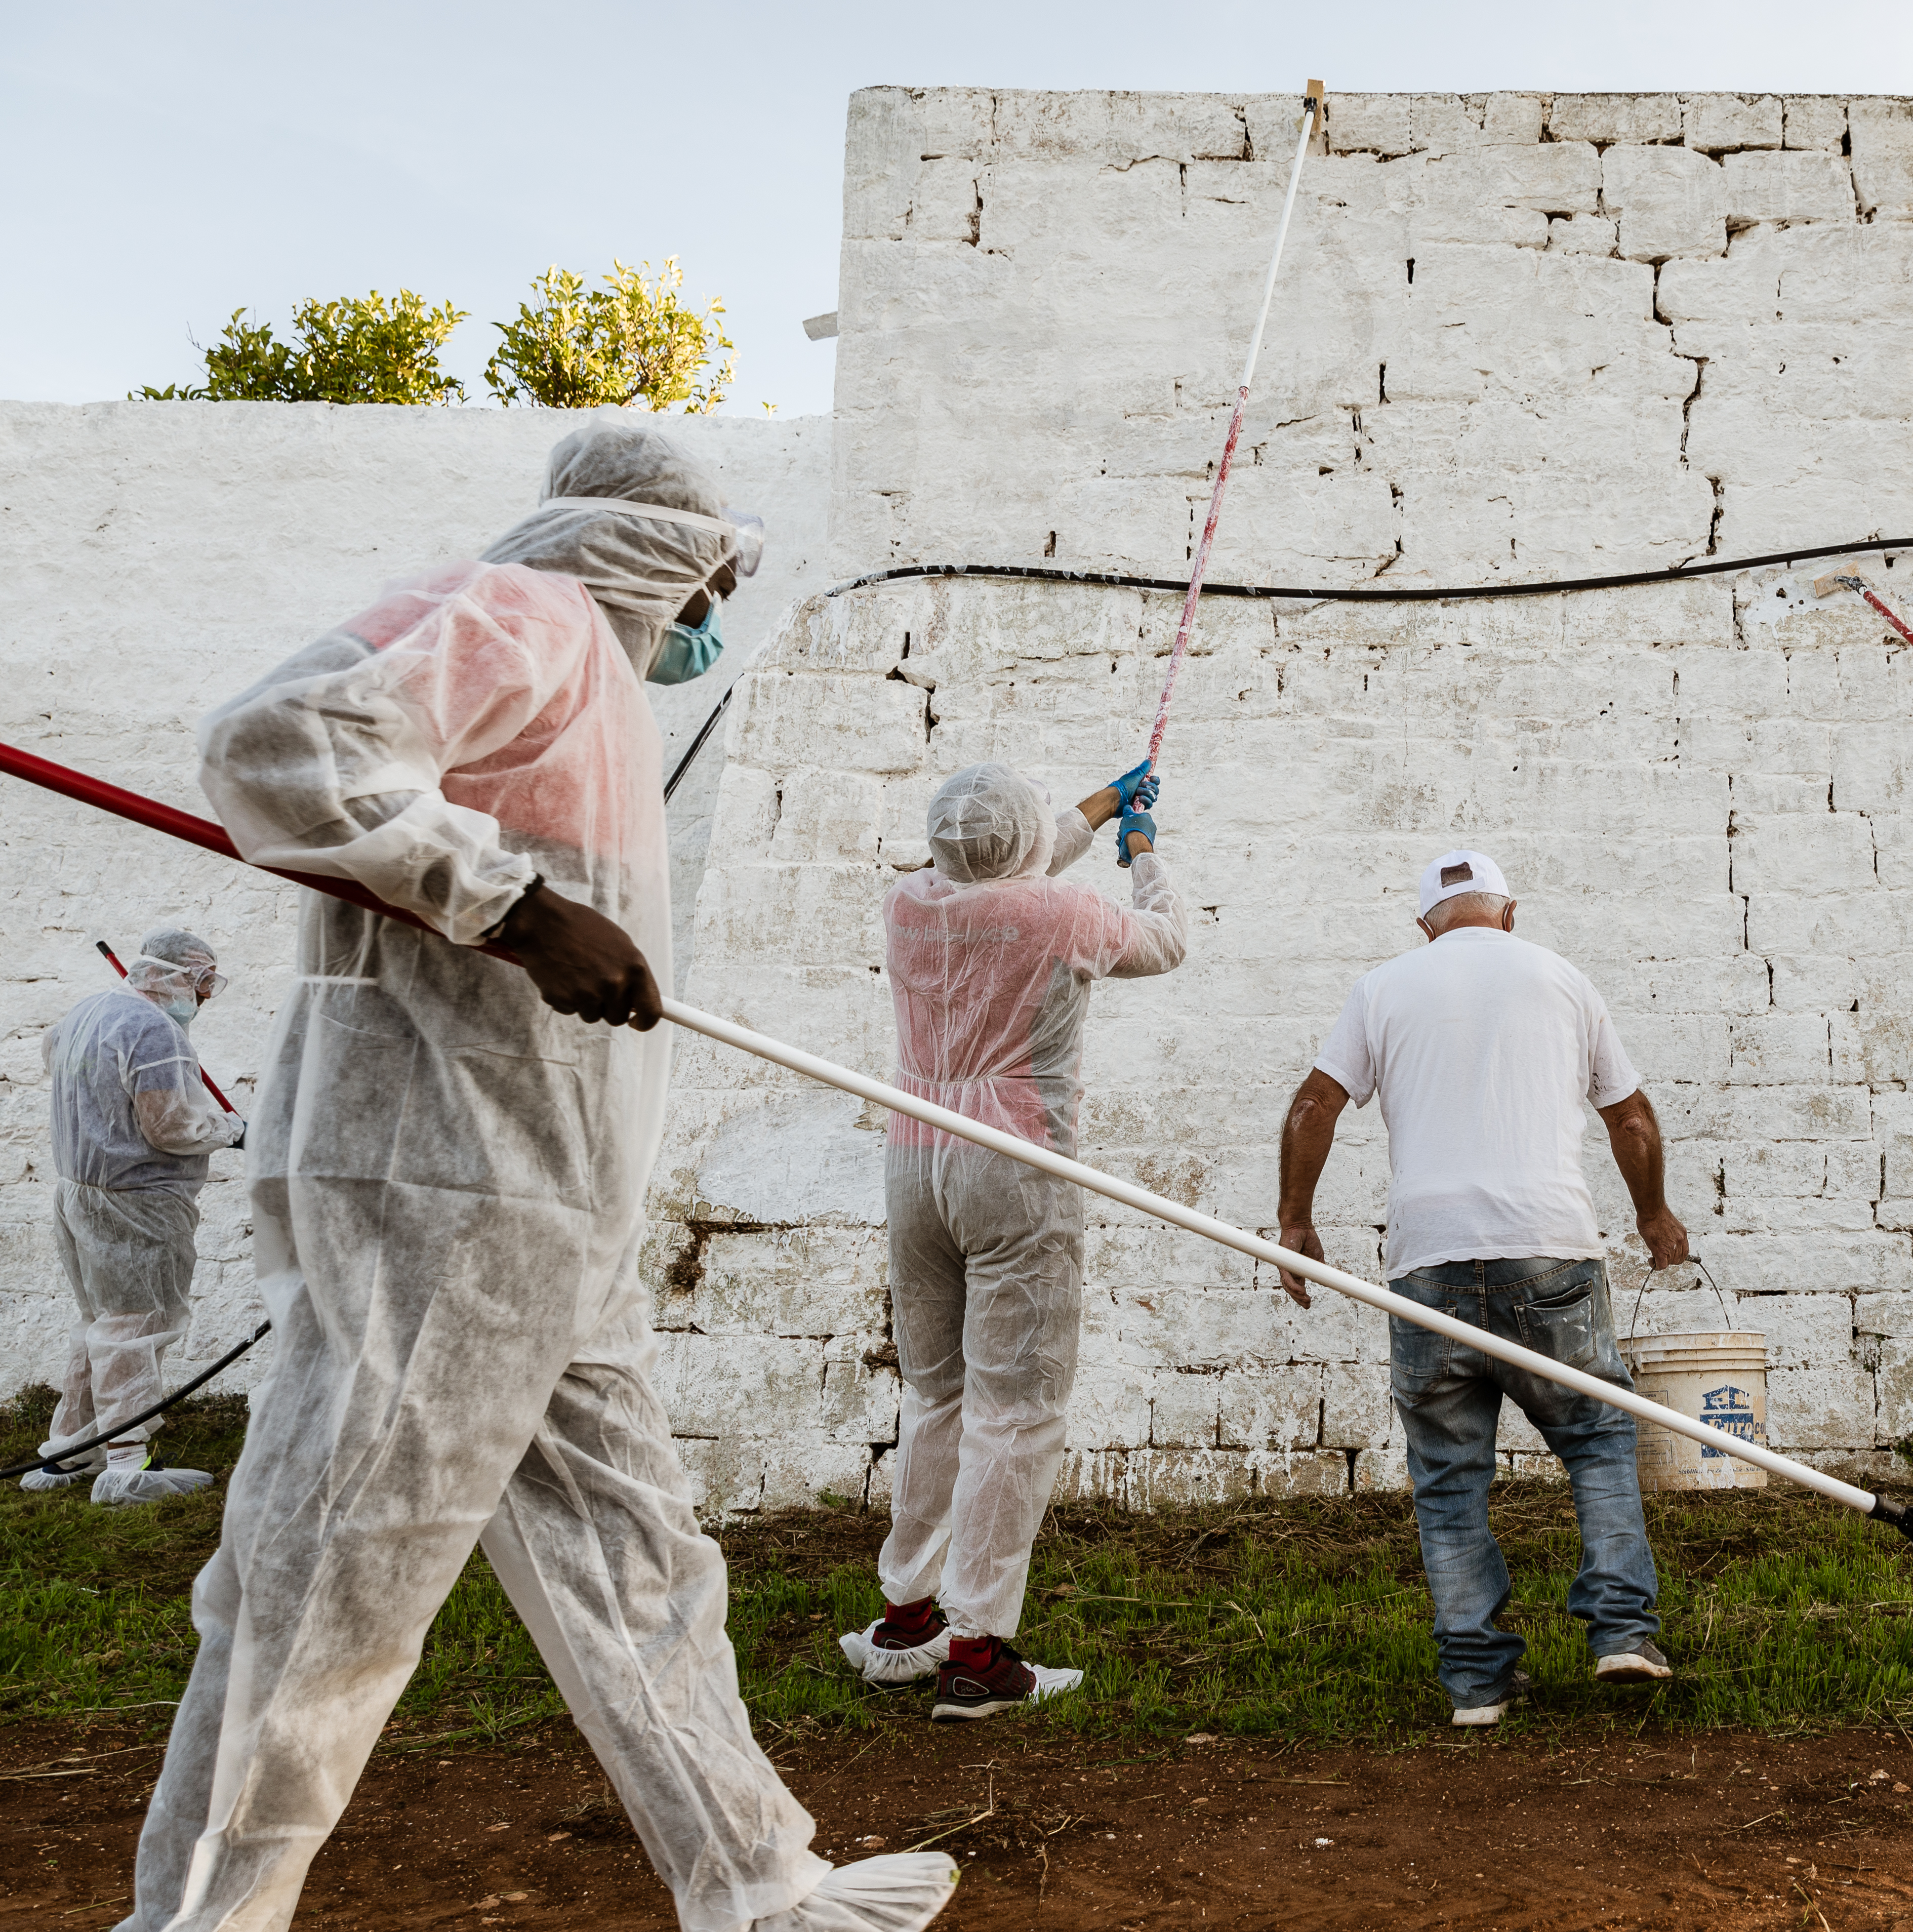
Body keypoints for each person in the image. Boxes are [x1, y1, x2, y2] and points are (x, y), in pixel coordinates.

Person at [128, 423, 956, 1932]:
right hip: (435, 1208)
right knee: (324, 1590)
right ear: (663, 550)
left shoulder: (591, 693)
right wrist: (518, 909)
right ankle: (202, 1920)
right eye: (721, 570)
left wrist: (530, 910)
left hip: (547, 1224)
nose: (719, 605)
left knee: (641, 1566)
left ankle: (758, 1882)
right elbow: (279, 738)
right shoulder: (534, 617)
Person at [1272, 850, 1689, 1726]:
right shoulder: (1563, 978)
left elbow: (1315, 1106)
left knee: (1448, 1478)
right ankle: (1621, 1632)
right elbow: (1633, 1115)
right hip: (1550, 1253)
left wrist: (1295, 1223)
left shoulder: (1384, 985)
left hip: (1428, 1264)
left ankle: (1475, 1684)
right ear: (1509, 912)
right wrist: (1653, 1215)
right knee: (1598, 1439)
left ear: (1426, 923)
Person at [836, 759, 1188, 1722]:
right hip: (1016, 1165)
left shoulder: (909, 903)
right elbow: (1165, 944)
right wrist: (1143, 848)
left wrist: (1098, 804)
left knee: (937, 1390)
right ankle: (979, 1648)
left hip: (915, 1163)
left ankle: (906, 1619)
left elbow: (995, 868)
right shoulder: (1063, 914)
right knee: (1017, 1407)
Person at [26, 930, 245, 1505]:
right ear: (174, 976)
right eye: (203, 983)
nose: (205, 997)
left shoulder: (88, 1011)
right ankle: (125, 1464)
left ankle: (69, 1451)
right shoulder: (154, 1031)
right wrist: (230, 1130)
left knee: (101, 1322)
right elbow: (169, 1128)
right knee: (136, 1327)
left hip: (79, 1193)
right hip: (138, 1201)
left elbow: (53, 1058)